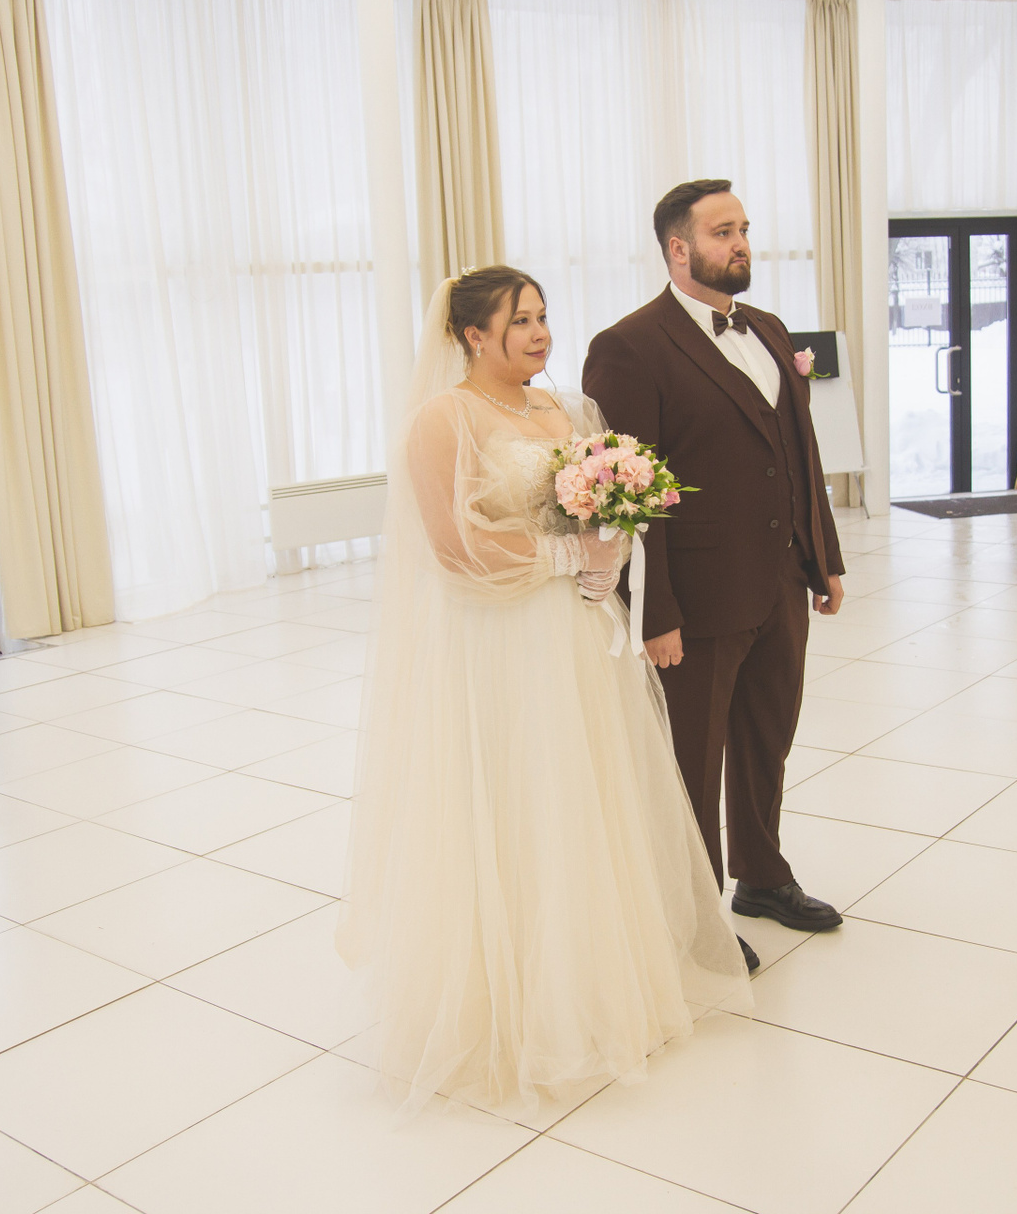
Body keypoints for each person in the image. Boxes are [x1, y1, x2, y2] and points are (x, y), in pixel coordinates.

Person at [337, 265, 749, 1114]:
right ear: (471, 335)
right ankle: (509, 1003)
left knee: (577, 794)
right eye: (519, 320)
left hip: (571, 633)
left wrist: (609, 553)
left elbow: (597, 514)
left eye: (542, 315)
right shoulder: (442, 419)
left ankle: (591, 985)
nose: (539, 333)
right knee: (511, 796)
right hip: (497, 638)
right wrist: (569, 557)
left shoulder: (563, 410)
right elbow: (452, 547)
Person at [582, 179, 848, 949]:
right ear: (678, 248)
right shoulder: (629, 347)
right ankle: (693, 911)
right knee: (692, 761)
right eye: (723, 232)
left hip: (780, 580)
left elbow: (799, 452)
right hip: (694, 601)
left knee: (768, 738)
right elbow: (628, 495)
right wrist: (652, 611)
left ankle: (762, 876)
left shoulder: (768, 328)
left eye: (744, 229)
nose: (741, 244)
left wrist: (823, 558)